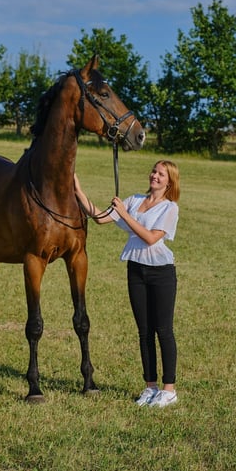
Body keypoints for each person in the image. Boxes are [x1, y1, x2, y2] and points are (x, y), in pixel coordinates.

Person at [74, 160, 180, 408]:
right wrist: (78, 190)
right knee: (144, 331)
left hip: (161, 273)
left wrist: (123, 213)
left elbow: (151, 238)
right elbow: (100, 217)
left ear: (169, 181)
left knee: (163, 330)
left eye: (161, 174)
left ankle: (169, 390)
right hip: (136, 269)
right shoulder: (133, 200)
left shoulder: (170, 208)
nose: (154, 175)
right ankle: (150, 387)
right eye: (154, 171)